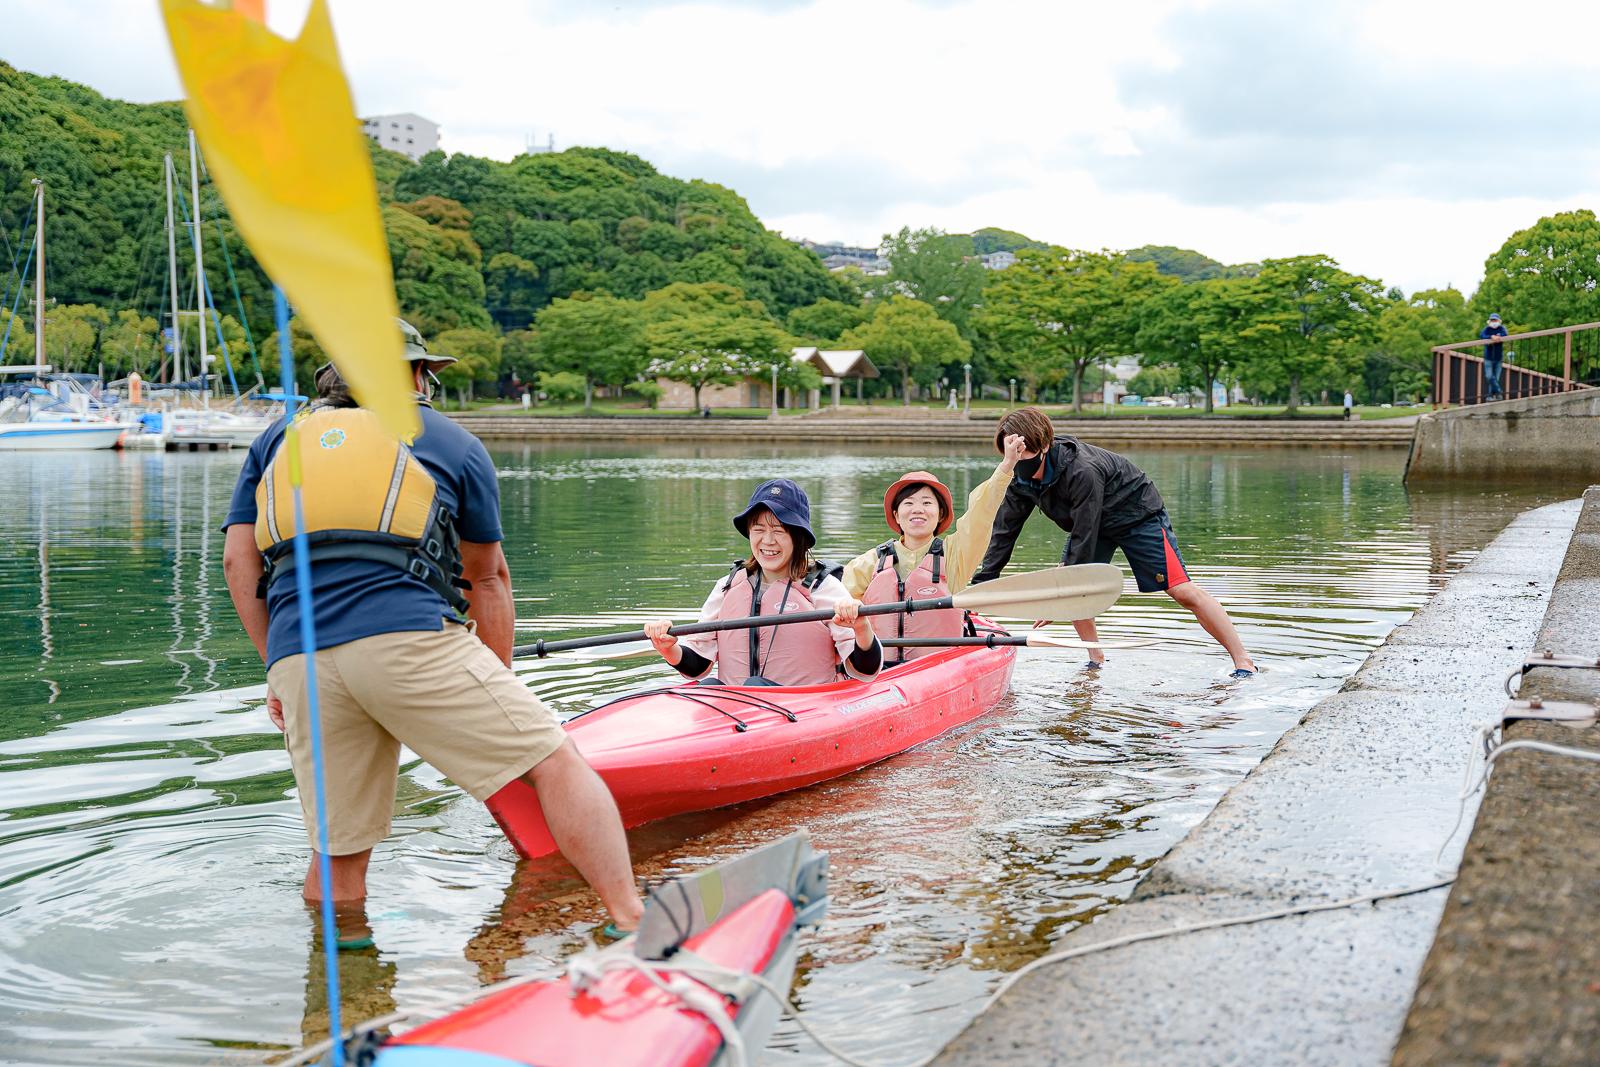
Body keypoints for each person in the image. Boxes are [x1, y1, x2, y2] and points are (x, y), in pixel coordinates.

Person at [221, 319, 642, 931]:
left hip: (300, 659)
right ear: (416, 376)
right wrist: (501, 688)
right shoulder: (451, 443)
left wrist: (277, 668)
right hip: (407, 640)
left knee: (337, 852)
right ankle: (630, 922)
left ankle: (349, 984)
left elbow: (240, 562)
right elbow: (487, 579)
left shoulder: (276, 441)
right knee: (555, 761)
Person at [973, 407, 1258, 678]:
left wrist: (1062, 590)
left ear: (1044, 446)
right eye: (1012, 454)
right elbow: (1004, 531)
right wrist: (983, 583)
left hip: (1137, 516)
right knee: (1076, 594)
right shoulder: (1018, 478)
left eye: (1025, 453)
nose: (1019, 461)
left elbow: (1085, 532)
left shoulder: (1082, 470)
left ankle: (1243, 660)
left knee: (1182, 591)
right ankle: (1096, 660)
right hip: (1091, 523)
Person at [644, 479, 882, 685]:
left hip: (803, 708)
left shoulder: (822, 588)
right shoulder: (728, 587)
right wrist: (668, 648)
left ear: (798, 537)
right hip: (736, 709)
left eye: (778, 531)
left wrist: (861, 627)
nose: (767, 541)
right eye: (758, 529)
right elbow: (698, 665)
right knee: (709, 685)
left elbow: (865, 670)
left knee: (754, 684)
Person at [842, 434, 1027, 661]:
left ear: (940, 514)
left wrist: (1007, 465)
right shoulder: (871, 562)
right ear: (896, 516)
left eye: (927, 503)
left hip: (937, 668)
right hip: (880, 669)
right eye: (908, 503)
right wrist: (846, 605)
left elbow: (982, 514)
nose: (917, 509)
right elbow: (839, 597)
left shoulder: (956, 554)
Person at [1480, 312, 1508, 399]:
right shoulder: (1487, 329)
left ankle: (1490, 396)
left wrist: (1498, 337)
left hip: (1498, 358)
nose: (1494, 321)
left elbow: (1505, 334)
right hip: (1488, 358)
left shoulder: (1501, 328)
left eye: (1495, 320)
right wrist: (1491, 337)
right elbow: (1482, 335)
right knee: (1489, 376)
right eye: (1492, 320)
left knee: (1496, 378)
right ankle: (1499, 392)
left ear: (1499, 321)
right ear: (1489, 321)